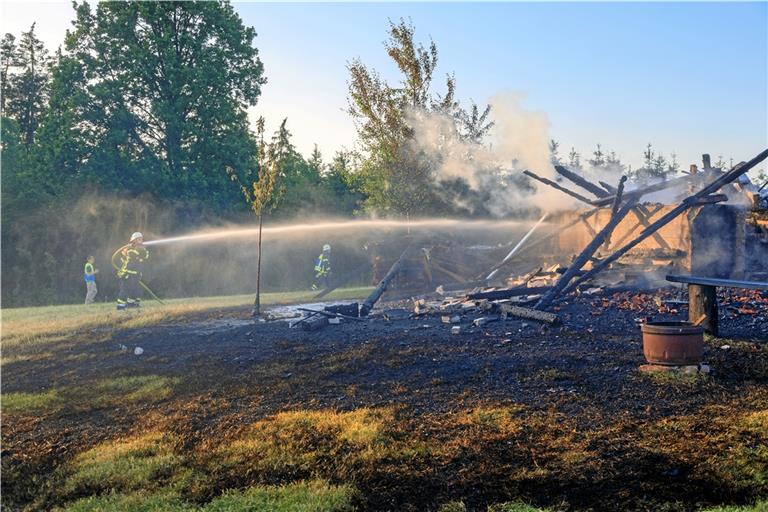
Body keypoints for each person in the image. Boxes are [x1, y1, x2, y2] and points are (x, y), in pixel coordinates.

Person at [113, 232, 150, 310]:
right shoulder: (129, 249)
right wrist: (139, 250)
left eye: (141, 239)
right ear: (134, 241)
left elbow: (146, 256)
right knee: (125, 290)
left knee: (136, 290)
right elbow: (133, 256)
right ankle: (120, 306)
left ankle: (132, 305)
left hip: (136, 274)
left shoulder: (141, 249)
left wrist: (142, 249)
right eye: (139, 239)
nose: (141, 241)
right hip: (127, 274)